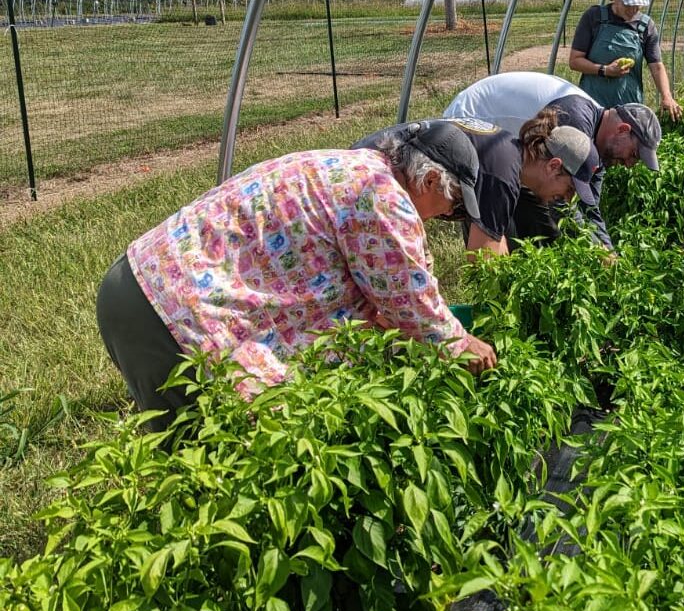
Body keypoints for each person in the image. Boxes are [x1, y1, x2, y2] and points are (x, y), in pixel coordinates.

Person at [96, 120, 496, 430]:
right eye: (453, 203)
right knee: (205, 457)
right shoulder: (382, 196)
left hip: (143, 285)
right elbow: (409, 301)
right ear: (429, 180)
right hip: (169, 313)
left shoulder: (358, 168)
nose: (449, 214)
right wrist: (460, 343)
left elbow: (399, 274)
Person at [442, 70, 661, 247]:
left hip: (514, 151)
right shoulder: (575, 120)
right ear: (623, 130)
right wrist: (593, 248)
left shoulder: (595, 147)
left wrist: (605, 247)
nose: (630, 164)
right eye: (634, 155)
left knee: (540, 228)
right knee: (497, 225)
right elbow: (562, 202)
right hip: (471, 126)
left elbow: (589, 205)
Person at [358, 111, 601, 258]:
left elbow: (494, 236)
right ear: (553, 166)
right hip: (367, 183)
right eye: (569, 188)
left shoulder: (506, 152)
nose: (566, 198)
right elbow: (483, 256)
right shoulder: (503, 172)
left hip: (365, 168)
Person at [569, 0, 682, 121]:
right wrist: (605, 70)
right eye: (629, 3)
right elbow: (575, 61)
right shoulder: (594, 17)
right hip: (593, 107)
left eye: (638, 4)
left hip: (629, 107)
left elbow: (656, 66)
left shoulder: (645, 26)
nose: (634, 9)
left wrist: (667, 96)